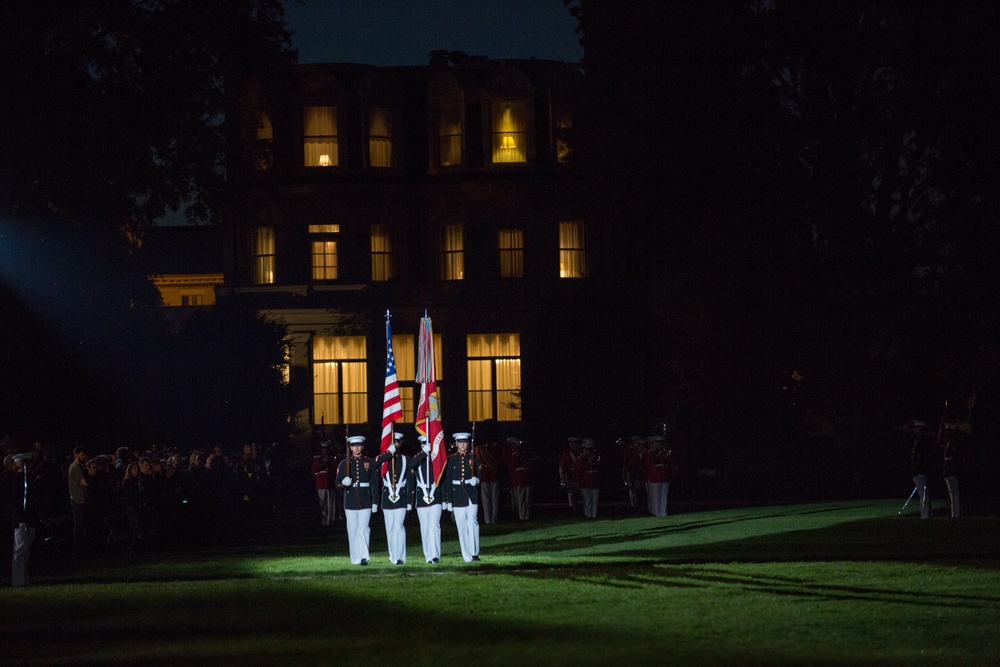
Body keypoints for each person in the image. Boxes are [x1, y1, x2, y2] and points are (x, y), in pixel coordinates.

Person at [337, 436, 379, 565]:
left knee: (364, 528)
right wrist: (344, 482)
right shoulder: (344, 463)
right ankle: (355, 558)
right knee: (353, 529)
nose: (356, 448)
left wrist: (375, 501)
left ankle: (364, 556)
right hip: (350, 501)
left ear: (363, 446)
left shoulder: (369, 462)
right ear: (350, 447)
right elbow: (337, 483)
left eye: (359, 445)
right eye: (354, 446)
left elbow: (375, 483)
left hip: (365, 499)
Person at [374, 433, 412, 565]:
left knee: (399, 527)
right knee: (389, 528)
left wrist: (409, 501)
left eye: (396, 442)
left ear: (400, 444)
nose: (395, 444)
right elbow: (375, 464)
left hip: (401, 496)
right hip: (387, 497)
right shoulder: (384, 460)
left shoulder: (406, 459)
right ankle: (393, 555)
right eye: (392, 442)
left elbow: (410, 481)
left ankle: (400, 556)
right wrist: (388, 453)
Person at [443, 432, 480, 562]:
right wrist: (448, 500)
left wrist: (477, 480)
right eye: (460, 442)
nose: (462, 444)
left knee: (473, 522)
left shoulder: (474, 457)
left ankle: (474, 552)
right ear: (456, 443)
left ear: (468, 443)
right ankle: (466, 555)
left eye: (465, 442)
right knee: (461, 525)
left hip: (471, 494)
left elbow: (479, 475)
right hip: (457, 495)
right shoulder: (451, 459)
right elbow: (448, 481)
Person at [408, 436, 444, 563]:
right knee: (424, 527)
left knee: (434, 525)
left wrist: (445, 499)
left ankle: (435, 555)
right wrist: (424, 453)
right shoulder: (419, 458)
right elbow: (410, 464)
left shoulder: (436, 457)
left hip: (435, 495)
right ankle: (428, 555)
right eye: (423, 443)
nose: (425, 445)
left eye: (427, 443)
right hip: (422, 496)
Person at [10, 452, 38, 586]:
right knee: (20, 551)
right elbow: (17, 503)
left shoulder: (28, 480)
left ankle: (23, 579)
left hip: (29, 519)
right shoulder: (18, 481)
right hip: (22, 519)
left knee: (24, 552)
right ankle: (18, 581)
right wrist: (21, 519)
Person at [643, 436, 676, 517]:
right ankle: (656, 513)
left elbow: (670, 462)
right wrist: (657, 455)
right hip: (655, 477)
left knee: (664, 496)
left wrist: (664, 455)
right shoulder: (650, 453)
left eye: (661, 443)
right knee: (656, 496)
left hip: (664, 477)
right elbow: (648, 464)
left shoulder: (665, 452)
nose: (659, 445)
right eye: (658, 443)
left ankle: (663, 512)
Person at [67, 445, 89, 555]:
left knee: (81, 525)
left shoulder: (77, 467)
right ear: (76, 455)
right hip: (78, 500)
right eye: (82, 455)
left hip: (80, 499)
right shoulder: (75, 468)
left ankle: (80, 549)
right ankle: (77, 551)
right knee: (79, 525)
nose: (84, 457)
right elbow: (84, 482)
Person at [505, 438, 534, 520]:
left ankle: (526, 516)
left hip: (526, 479)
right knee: (521, 500)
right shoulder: (514, 457)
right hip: (519, 480)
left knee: (527, 500)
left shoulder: (525, 455)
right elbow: (512, 468)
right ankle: (522, 516)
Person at [910, 420, 933, 520]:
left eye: (917, 427)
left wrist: (922, 469)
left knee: (924, 495)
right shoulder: (919, 440)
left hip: (921, 471)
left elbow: (922, 457)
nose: (915, 429)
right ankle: (925, 515)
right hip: (918, 471)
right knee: (923, 495)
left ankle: (925, 516)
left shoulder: (923, 440)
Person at [475, 436, 501, 524]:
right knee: (492, 500)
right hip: (487, 476)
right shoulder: (481, 449)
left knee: (488, 500)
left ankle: (489, 520)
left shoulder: (480, 449)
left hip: (488, 476)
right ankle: (491, 520)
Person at [312, 441, 337, 526]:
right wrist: (323, 463)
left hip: (330, 483)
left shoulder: (332, 458)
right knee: (323, 503)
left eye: (327, 449)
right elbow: (314, 470)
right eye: (324, 449)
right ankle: (324, 520)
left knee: (330, 503)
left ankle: (331, 520)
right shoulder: (317, 458)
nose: (325, 451)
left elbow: (336, 468)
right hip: (321, 484)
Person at [577, 439, 602, 519]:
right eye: (587, 449)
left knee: (595, 500)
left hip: (595, 481)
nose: (589, 451)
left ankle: (594, 515)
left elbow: (601, 467)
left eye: (590, 449)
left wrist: (593, 461)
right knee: (587, 500)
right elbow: (579, 468)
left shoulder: (597, 457)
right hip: (586, 482)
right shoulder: (581, 458)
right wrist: (588, 463)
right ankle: (588, 515)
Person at [558, 437, 582, 512]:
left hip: (580, 475)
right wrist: (562, 478)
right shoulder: (567, 452)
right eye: (570, 443)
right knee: (571, 492)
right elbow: (562, 466)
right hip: (570, 476)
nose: (571, 445)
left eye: (573, 443)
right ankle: (572, 509)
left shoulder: (581, 451)